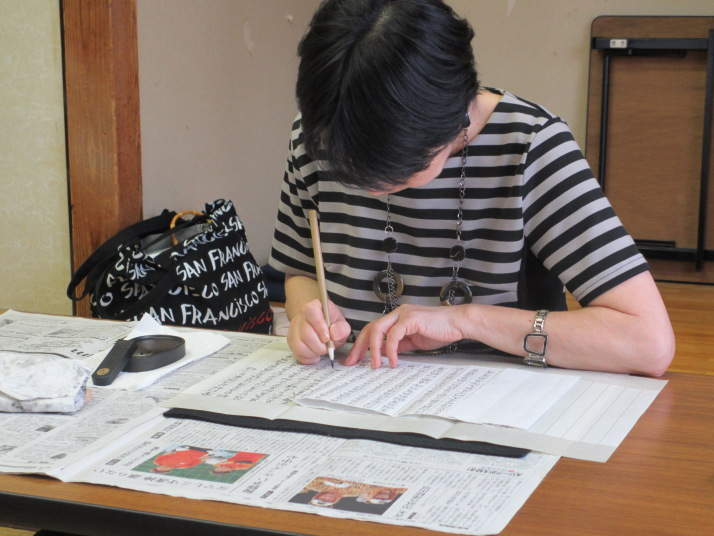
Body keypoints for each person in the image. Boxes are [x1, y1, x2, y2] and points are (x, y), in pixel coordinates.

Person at [269, 0, 674, 375]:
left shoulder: (530, 145)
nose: (369, 187)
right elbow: (301, 269)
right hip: (350, 388)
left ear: (453, 116)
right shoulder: (321, 133)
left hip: (496, 398)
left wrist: (466, 320)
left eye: (396, 169)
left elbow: (647, 342)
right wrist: (306, 313)